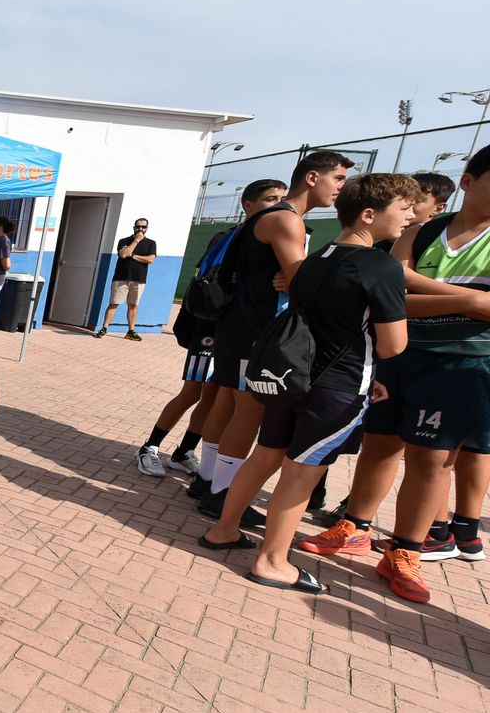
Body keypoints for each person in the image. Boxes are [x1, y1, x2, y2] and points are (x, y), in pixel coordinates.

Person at [199, 173, 416, 595]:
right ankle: (273, 561)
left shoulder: (318, 257)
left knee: (264, 456)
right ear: (370, 214)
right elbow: (392, 346)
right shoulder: (381, 265)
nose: (408, 217)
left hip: (292, 378)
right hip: (339, 385)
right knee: (300, 474)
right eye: (403, 209)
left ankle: (222, 529)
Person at [299, 146, 490, 600]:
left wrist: (412, 294)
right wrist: (466, 300)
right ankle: (354, 527)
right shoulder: (426, 231)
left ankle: (405, 551)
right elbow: (393, 291)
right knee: (380, 445)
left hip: (462, 362)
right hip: (399, 352)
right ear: (468, 181)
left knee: (431, 458)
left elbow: (400, 288)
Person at [197, 151, 353, 521]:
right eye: (339, 179)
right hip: (255, 330)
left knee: (231, 406)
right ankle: (219, 494)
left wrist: (296, 276)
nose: (341, 189)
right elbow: (302, 281)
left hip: (242, 326)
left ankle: (207, 481)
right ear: (313, 178)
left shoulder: (273, 217)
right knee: (247, 413)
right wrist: (307, 276)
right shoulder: (286, 220)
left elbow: (293, 277)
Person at [139, 181, 287, 480]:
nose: (279, 205)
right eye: (271, 199)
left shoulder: (271, 236)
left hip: (237, 332)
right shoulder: (231, 238)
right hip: (210, 328)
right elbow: (213, 285)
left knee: (215, 396)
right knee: (192, 391)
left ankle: (184, 452)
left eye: (282, 199)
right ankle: (149, 447)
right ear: (248, 204)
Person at [95, 218, 156, 340]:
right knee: (114, 303)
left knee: (133, 305)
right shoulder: (124, 241)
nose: (141, 229)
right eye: (138, 226)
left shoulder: (151, 243)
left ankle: (130, 331)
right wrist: (136, 241)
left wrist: (133, 255)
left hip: (138, 279)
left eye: (143, 227)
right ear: (134, 227)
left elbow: (150, 259)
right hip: (121, 277)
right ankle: (104, 328)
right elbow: (123, 254)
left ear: (147, 228)